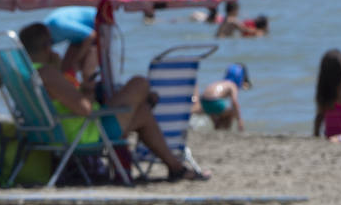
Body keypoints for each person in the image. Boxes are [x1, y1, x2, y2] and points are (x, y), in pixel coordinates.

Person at [18, 23, 209, 181]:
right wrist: (89, 84)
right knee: (139, 83)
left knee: (142, 112)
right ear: (47, 47)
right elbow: (85, 108)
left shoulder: (25, 73)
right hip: (85, 134)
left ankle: (176, 168)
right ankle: (175, 166)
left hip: (57, 132)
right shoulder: (47, 73)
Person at [199, 63, 251, 131]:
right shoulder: (232, 85)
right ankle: (226, 130)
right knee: (231, 113)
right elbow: (234, 102)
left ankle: (217, 127)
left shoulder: (220, 82)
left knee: (221, 116)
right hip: (215, 101)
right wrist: (239, 120)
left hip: (204, 101)